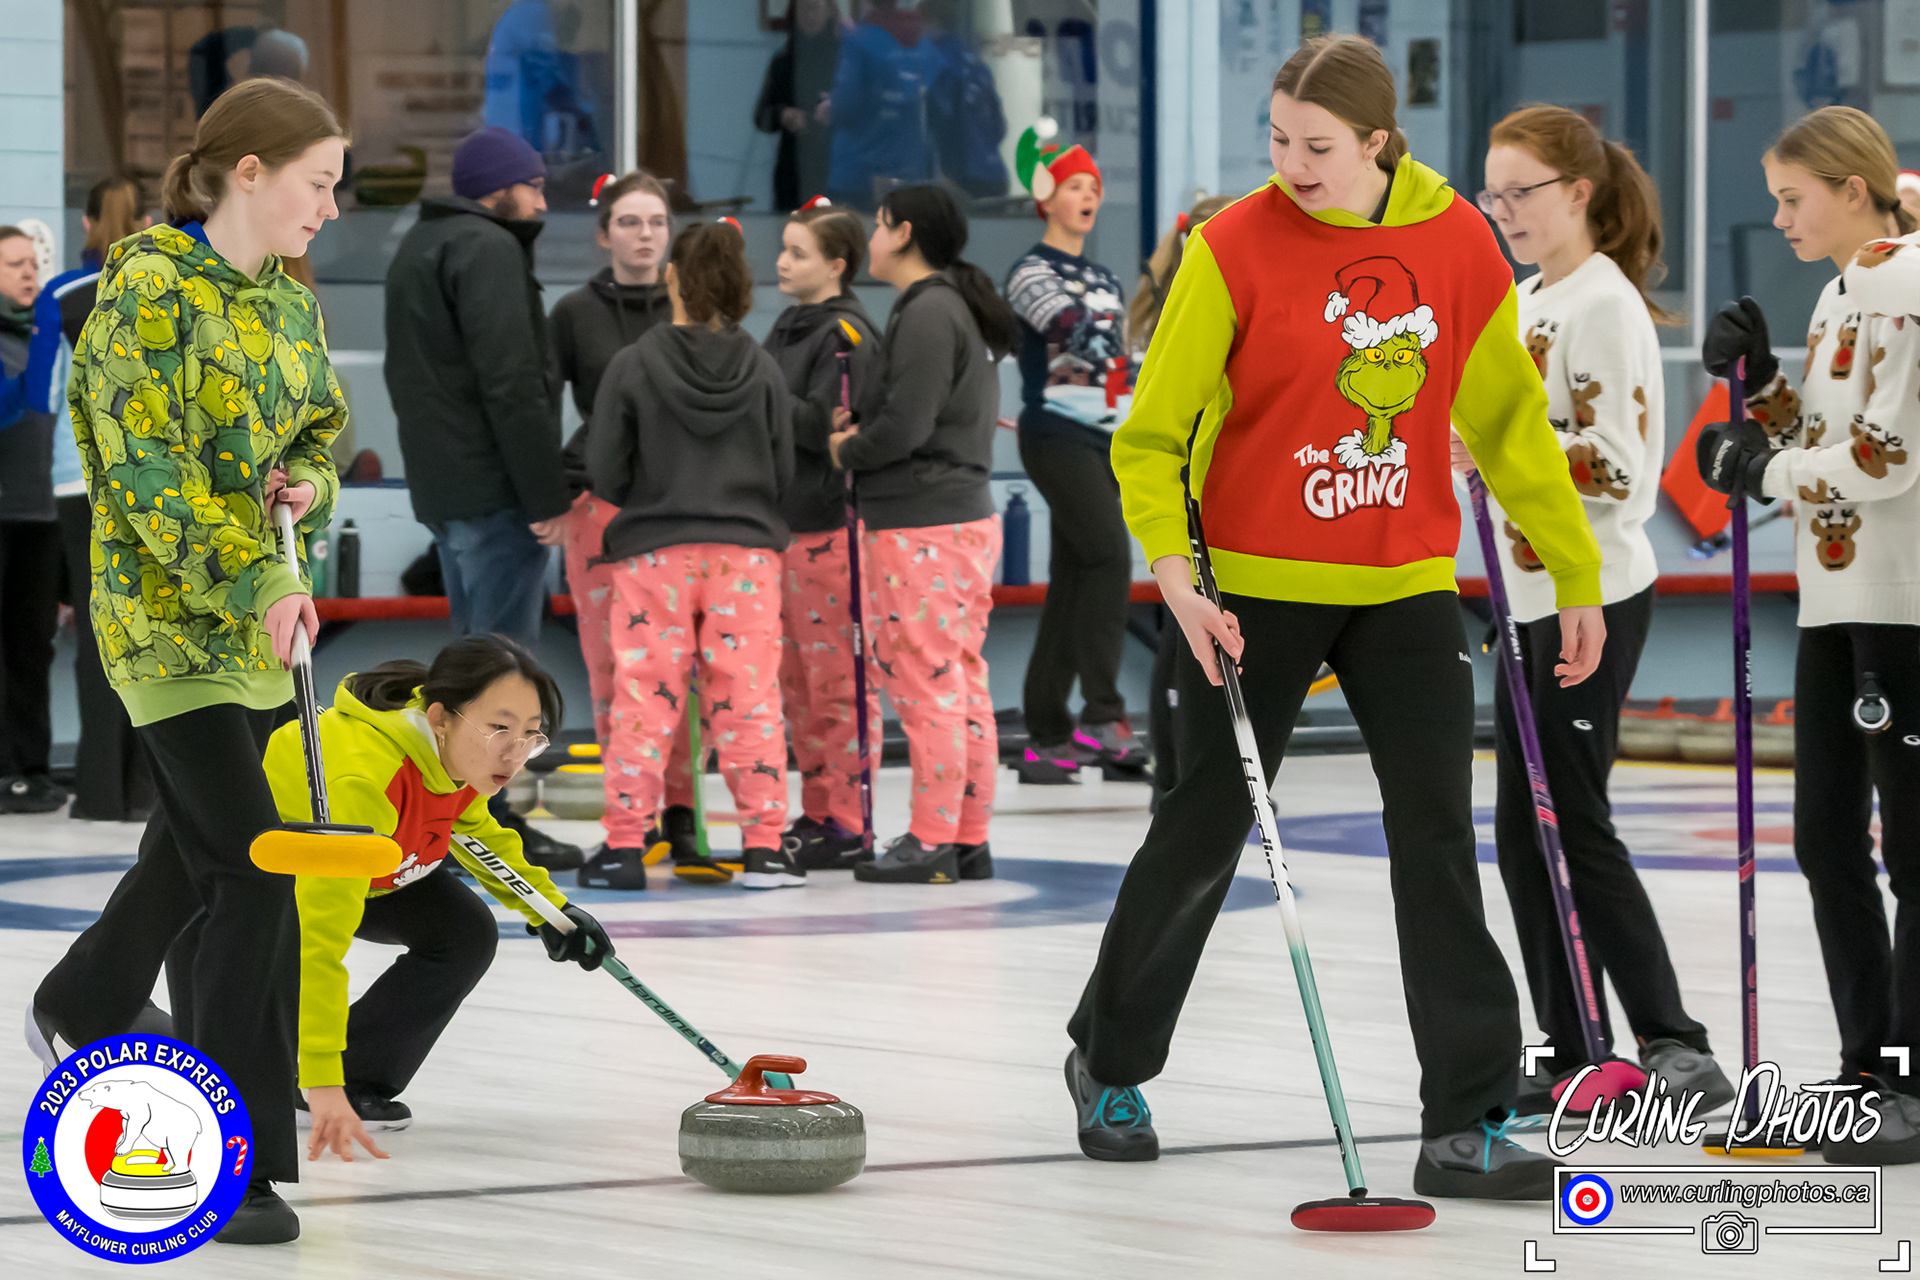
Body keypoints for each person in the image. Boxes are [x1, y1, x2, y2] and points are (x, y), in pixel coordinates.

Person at [1065, 37, 1605, 1199]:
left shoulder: (1454, 240)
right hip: (1251, 589)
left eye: (1317, 146)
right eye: (1277, 139)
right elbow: (1150, 436)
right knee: (1203, 827)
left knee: (1436, 836)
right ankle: (1108, 1056)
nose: (1292, 165)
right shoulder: (1231, 246)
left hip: (1402, 581)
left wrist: (1574, 571)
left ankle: (1465, 1117)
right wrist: (1175, 574)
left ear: (1378, 142)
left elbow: (1509, 422)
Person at [27, 77, 350, 1245]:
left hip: (257, 630)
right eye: (318, 182)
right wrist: (261, 578)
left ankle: (84, 997)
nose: (331, 207)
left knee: (193, 852)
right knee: (253, 866)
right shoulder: (145, 289)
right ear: (248, 172)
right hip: (166, 626)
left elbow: (321, 428)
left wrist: (308, 483)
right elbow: (144, 474)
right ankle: (232, 1157)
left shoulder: (291, 303)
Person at [1464, 105, 1732, 1114]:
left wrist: (1499, 444)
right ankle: (1574, 1045)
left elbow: (1620, 467)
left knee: (1574, 820)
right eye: (1492, 195)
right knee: (1523, 830)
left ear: (1578, 193)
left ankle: (1674, 1041)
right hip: (1527, 593)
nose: (1503, 211)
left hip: (1596, 593)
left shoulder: (1602, 304)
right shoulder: (1529, 297)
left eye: (1520, 192)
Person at [1694, 105, 1920, 1162]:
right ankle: (1867, 1064)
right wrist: (1766, 390)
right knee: (1826, 839)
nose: (1780, 218)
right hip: (1835, 598)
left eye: (1793, 199)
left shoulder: (1904, 283)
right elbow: (1827, 433)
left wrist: (1762, 469)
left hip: (1900, 602)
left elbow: (1885, 458)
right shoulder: (1841, 291)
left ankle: (1909, 1072)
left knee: (1910, 849)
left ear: (1851, 188)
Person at [266, 638, 610, 1159]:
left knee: (464, 932)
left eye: (530, 735)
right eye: (499, 729)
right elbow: (321, 946)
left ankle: (363, 1072)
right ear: (440, 718)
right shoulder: (364, 779)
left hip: (377, 868)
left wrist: (552, 912)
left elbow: (477, 832)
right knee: (264, 999)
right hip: (281, 878)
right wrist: (320, 1078)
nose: (514, 753)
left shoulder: (461, 756)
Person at [385, 123, 580, 872]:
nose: (542, 202)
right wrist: (545, 494)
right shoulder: (487, 249)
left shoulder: (419, 246)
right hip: (496, 489)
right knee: (502, 673)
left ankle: (449, 819)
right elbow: (512, 383)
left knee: (466, 666)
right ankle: (486, 823)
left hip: (447, 489)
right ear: (500, 189)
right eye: (534, 186)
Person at [586, 221, 800, 890]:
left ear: (672, 276)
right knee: (750, 699)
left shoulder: (632, 364)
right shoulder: (764, 368)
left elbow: (605, 471)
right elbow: (784, 469)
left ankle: (625, 847)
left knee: (642, 700)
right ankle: (765, 847)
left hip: (654, 555)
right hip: (747, 557)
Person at [827, 185, 1013, 884]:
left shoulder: (929, 310)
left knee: (927, 682)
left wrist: (847, 447)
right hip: (954, 518)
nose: (871, 238)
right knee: (958, 679)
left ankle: (932, 838)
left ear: (903, 232)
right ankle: (966, 837)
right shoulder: (947, 305)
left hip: (922, 522)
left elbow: (907, 424)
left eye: (878, 226)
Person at [548, 170, 707, 886]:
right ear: (603, 233)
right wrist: (556, 491)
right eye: (630, 222)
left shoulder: (692, 306)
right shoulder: (574, 313)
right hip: (602, 508)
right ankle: (629, 821)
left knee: (685, 674)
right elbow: (545, 403)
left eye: (656, 222)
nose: (645, 235)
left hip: (681, 506)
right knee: (615, 671)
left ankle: (683, 814)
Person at [1004, 129, 1143, 784]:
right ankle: (1103, 712)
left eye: (1094, 187)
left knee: (1073, 577)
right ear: (1047, 198)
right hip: (1055, 432)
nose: (1088, 196)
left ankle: (1046, 731)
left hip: (1103, 435)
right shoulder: (1030, 271)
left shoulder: (1105, 277)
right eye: (1074, 186)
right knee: (1110, 555)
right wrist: (1133, 361)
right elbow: (1075, 333)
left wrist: (1134, 371)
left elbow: (1116, 361)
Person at [764, 201, 883, 870]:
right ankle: (816, 810)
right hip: (783, 525)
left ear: (836, 265)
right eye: (784, 249)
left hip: (829, 528)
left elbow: (825, 425)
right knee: (798, 686)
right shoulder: (787, 326)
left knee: (837, 683)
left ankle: (848, 818)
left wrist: (756, 394)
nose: (783, 263)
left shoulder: (847, 334)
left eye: (798, 253)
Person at [36, 178, 159, 821]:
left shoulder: (61, 296)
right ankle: (144, 791)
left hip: (75, 479)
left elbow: (41, 392)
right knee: (148, 630)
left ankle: (100, 789)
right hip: (145, 478)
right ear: (147, 221)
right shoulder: (159, 287)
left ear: (85, 223)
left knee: (97, 633)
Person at [1128, 194, 1236, 805]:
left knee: (1188, 636)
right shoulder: (1191, 301)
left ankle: (1186, 776)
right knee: (1184, 637)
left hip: (1216, 491)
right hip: (1192, 493)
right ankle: (1176, 778)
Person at [0, 225, 65, 814]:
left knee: (32, 647)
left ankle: (32, 769)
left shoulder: (48, 335)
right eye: (13, 264)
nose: (28, 273)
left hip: (41, 514)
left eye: (32, 263)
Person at [825, 0, 940, 208]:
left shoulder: (860, 40)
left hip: (859, 175)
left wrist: (828, 108)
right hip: (909, 172)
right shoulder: (924, 45)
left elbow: (845, 105)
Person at [753, 0, 844, 213]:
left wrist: (837, 108)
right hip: (792, 170)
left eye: (815, 8)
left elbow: (866, 111)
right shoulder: (783, 60)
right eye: (803, 9)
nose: (809, 16)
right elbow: (761, 116)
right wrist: (783, 115)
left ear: (828, 12)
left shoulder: (843, 59)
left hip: (835, 166)